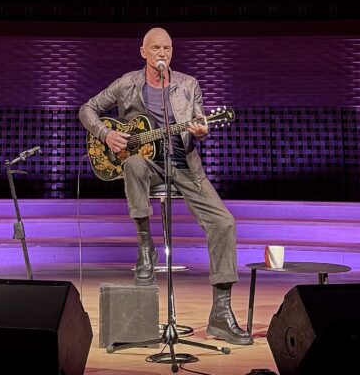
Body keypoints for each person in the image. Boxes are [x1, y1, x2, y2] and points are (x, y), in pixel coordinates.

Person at [79, 28, 251, 346]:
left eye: (168, 48)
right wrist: (106, 134)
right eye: (156, 47)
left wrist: (201, 130)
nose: (162, 53)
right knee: (131, 163)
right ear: (143, 51)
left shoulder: (188, 85)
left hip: (185, 166)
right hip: (147, 165)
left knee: (225, 224)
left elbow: (199, 121)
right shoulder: (126, 83)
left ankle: (220, 315)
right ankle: (146, 247)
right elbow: (87, 109)